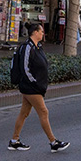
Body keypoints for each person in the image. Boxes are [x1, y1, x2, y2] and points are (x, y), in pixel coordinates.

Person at [8, 23, 69, 153]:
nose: (43, 34)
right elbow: (25, 68)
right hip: (31, 87)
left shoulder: (38, 47)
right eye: (41, 31)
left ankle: (14, 141)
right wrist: (35, 83)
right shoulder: (27, 48)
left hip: (35, 86)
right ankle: (53, 142)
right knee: (43, 112)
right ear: (35, 32)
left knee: (24, 113)